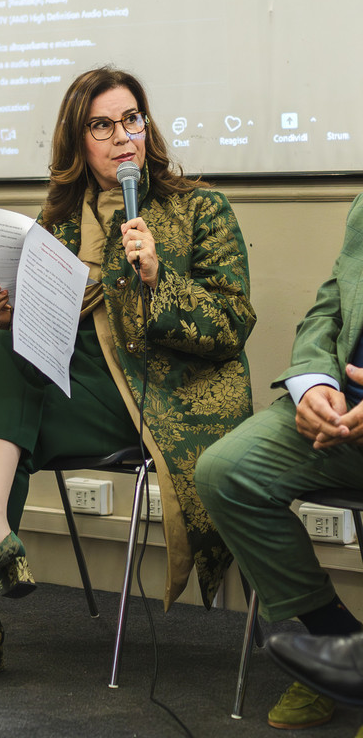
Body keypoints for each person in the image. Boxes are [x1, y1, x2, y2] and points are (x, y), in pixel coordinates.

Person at [0, 66, 256, 690]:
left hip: (157, 399)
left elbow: (231, 325)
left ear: (147, 127)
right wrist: (2, 315)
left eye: (131, 120)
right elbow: (14, 345)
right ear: (78, 141)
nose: (122, 136)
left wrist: (158, 278)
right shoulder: (58, 221)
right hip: (79, 387)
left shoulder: (199, 208)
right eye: (101, 125)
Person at [195, 194, 363, 729]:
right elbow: (329, 309)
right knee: (226, 472)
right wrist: (313, 383)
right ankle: (337, 643)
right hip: (343, 410)